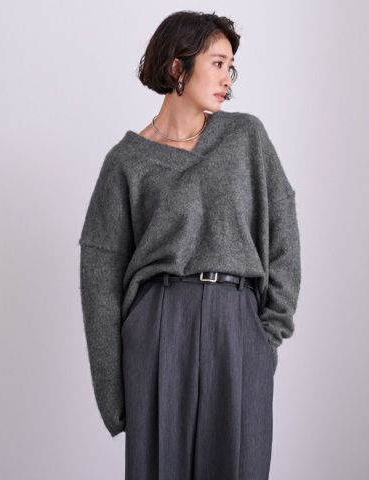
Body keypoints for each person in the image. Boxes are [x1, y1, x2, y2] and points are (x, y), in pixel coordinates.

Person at [78, 10, 301, 480]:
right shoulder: (126, 162)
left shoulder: (246, 137)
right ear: (178, 66)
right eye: (217, 63)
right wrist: (115, 393)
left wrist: (265, 339)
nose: (228, 78)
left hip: (237, 324)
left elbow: (284, 236)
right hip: (159, 326)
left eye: (231, 67)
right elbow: (100, 281)